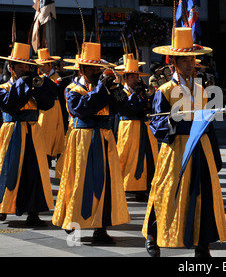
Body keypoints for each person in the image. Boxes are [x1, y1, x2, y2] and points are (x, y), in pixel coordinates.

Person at [142, 27, 226, 257]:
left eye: (193, 59)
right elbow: (156, 124)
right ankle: (153, 236)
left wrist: (215, 153)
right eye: (186, 60)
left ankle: (203, 245)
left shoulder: (201, 90)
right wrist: (175, 122)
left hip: (201, 147)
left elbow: (207, 122)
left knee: (204, 194)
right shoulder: (165, 90)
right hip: (176, 149)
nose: (192, 64)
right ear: (175, 63)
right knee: (165, 192)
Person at [52, 42, 130, 244]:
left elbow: (123, 107)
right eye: (93, 68)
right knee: (79, 182)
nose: (97, 72)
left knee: (105, 183)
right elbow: (82, 109)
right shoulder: (72, 89)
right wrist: (102, 89)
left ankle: (100, 228)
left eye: (99, 68)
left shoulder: (104, 87)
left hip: (104, 138)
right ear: (82, 69)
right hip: (82, 140)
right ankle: (73, 219)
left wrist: (118, 89)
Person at [0, 42, 58, 226]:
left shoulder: (32, 85)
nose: (25, 69)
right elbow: (11, 104)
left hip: (33, 132)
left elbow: (48, 104)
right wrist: (23, 82)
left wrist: (39, 86)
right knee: (7, 170)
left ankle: (34, 211)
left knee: (35, 172)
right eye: (20, 66)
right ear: (11, 68)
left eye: (27, 66)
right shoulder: (4, 88)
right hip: (12, 133)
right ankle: (3, 206)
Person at [116, 55, 158, 202]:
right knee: (127, 157)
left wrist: (148, 95)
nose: (136, 79)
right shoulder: (119, 91)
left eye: (137, 76)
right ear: (125, 78)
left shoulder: (142, 90)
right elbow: (125, 108)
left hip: (144, 127)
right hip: (128, 127)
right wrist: (137, 96)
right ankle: (125, 185)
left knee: (148, 157)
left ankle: (144, 187)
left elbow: (150, 106)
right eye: (132, 76)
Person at [35, 48, 65, 166]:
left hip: (53, 108)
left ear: (49, 65)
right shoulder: (40, 76)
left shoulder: (57, 77)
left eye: (43, 65)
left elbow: (56, 91)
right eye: (40, 65)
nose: (41, 68)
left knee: (49, 133)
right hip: (41, 108)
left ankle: (48, 156)